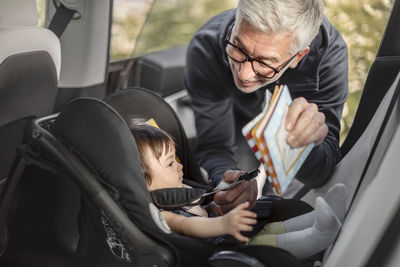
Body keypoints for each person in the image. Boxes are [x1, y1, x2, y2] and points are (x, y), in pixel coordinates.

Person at [184, 0, 348, 212]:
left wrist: (308, 146)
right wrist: (231, 181)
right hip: (241, 115)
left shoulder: (329, 60)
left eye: (265, 63)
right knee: (239, 182)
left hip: (293, 140)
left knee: (283, 202)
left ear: (298, 56)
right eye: (238, 47)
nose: (244, 75)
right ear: (236, 23)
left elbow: (322, 172)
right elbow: (215, 146)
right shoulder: (206, 47)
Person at [129, 121, 346, 260]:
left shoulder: (179, 187)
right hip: (220, 249)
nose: (180, 166)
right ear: (145, 181)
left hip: (229, 232)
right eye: (169, 164)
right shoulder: (160, 212)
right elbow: (188, 224)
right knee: (265, 242)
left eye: (176, 159)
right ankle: (319, 236)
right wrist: (222, 224)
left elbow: (204, 201)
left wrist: (223, 191)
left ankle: (316, 218)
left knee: (269, 229)